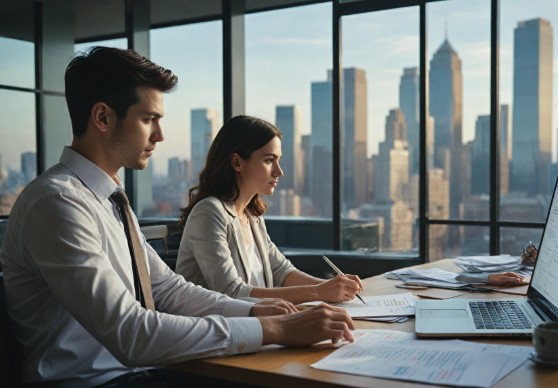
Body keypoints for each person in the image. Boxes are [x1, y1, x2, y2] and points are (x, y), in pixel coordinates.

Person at [0, 46, 353, 387]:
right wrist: (275, 329)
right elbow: (132, 333)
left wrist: (253, 312)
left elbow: (168, 289)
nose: (160, 135)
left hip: (145, 373)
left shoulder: (109, 199)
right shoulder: (57, 203)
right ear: (103, 117)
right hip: (99, 381)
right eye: (149, 119)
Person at [176, 115, 363, 305]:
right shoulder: (208, 213)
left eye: (278, 160)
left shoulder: (251, 216)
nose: (279, 171)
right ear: (237, 163)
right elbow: (231, 293)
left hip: (257, 324)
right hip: (219, 330)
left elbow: (281, 271)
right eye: (268, 160)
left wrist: (333, 287)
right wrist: (318, 292)